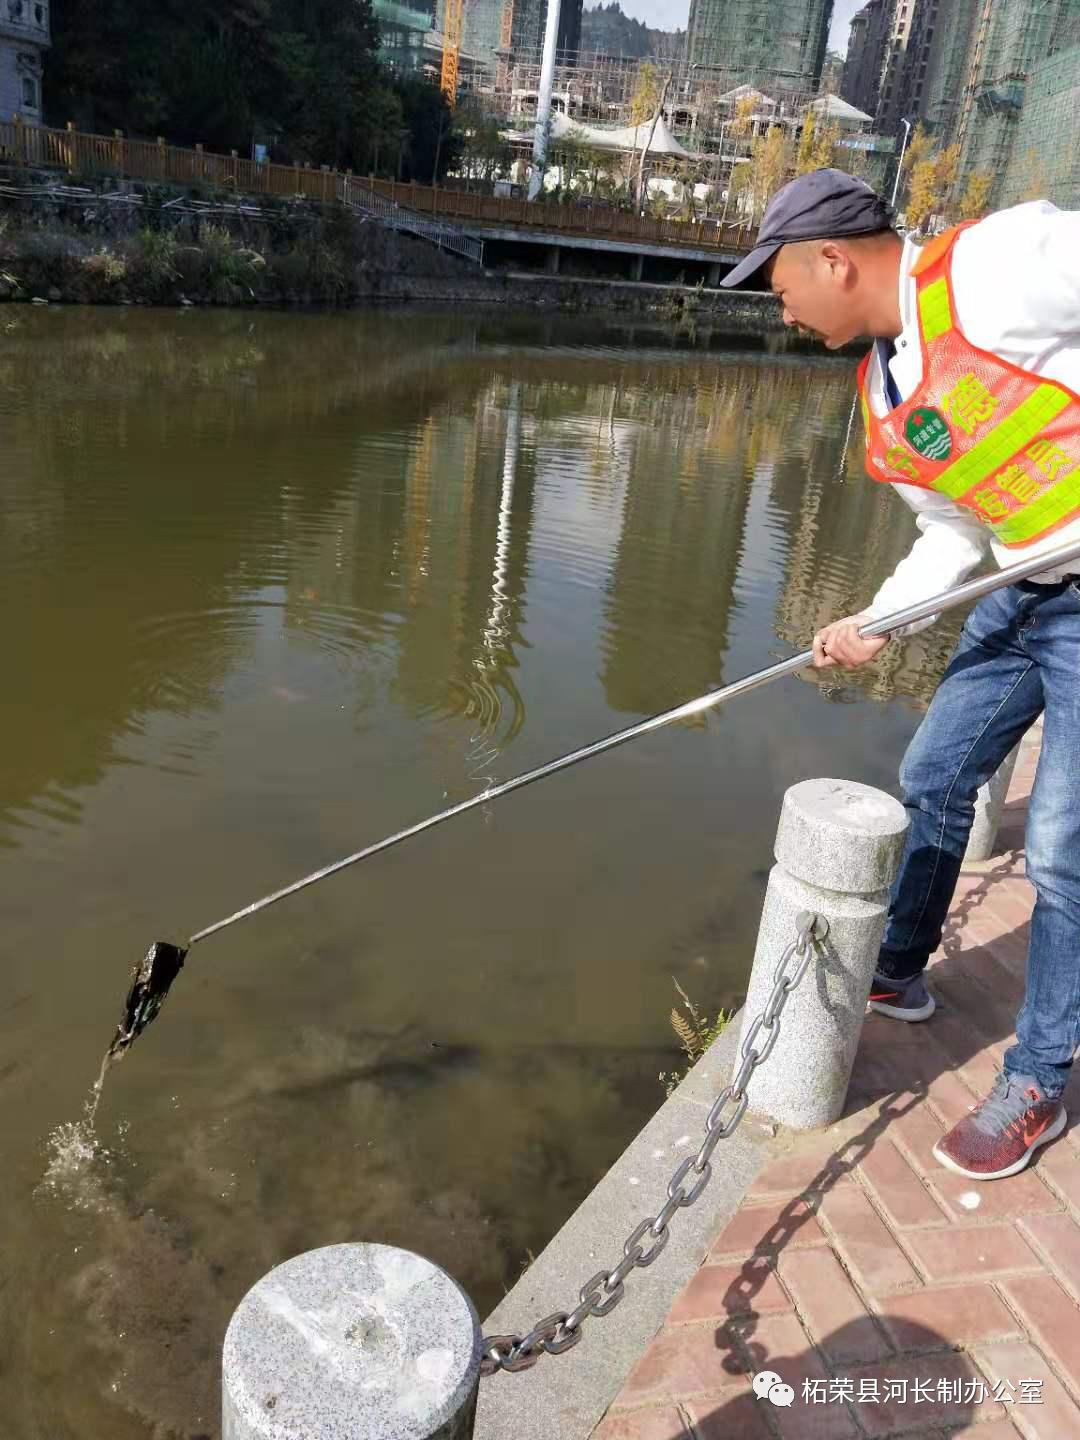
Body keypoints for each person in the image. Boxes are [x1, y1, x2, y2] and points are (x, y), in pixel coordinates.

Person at [721, 169, 1080, 1182]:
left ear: (833, 259)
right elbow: (955, 531)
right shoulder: (884, 386)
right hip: (1025, 591)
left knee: (1059, 854)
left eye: (781, 284)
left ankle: (1039, 1078)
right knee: (933, 771)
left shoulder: (997, 268)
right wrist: (877, 621)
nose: (781, 309)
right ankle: (900, 970)